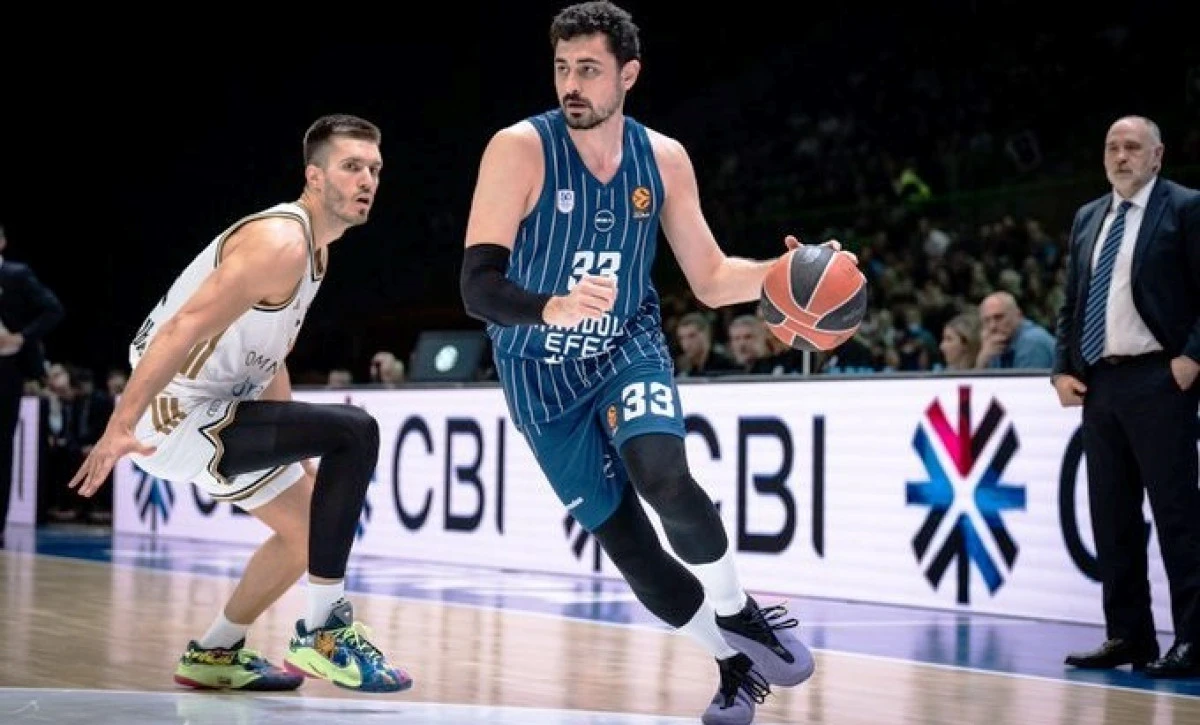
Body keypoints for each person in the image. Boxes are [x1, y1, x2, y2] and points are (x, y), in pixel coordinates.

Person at [459, 3, 832, 722]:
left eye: (589, 69)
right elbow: (477, 288)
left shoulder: (662, 158)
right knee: (630, 546)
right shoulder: (519, 149)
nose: (572, 84)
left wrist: (787, 273)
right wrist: (551, 307)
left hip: (625, 345)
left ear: (628, 74)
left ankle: (738, 610)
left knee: (663, 474)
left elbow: (712, 279)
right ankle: (729, 661)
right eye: (562, 68)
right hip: (539, 372)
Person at [67, 114, 410, 693]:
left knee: (309, 533)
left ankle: (215, 651)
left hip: (220, 411)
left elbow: (270, 357)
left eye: (374, 169)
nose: (367, 180)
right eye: (352, 166)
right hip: (175, 416)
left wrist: (295, 449)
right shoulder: (281, 242)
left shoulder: (317, 251)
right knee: (355, 430)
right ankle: (323, 631)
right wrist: (119, 424)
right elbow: (181, 328)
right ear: (315, 176)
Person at [1055, 115, 1200, 678]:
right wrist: (1061, 369)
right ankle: (1128, 635)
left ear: (1157, 155)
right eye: (1112, 147)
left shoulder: (1185, 207)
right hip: (1101, 382)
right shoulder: (1089, 215)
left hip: (1159, 377)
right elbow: (1072, 301)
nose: (1121, 156)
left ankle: (1193, 639)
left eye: (1133, 147)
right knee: (1111, 515)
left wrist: (1190, 358)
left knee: (1177, 515)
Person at [0, 223, 65, 545]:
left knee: (2, 447)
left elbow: (53, 309)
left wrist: (21, 337)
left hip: (5, 369)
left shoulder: (16, 275)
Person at [976, 290, 1055, 369]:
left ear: (1018, 315)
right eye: (986, 320)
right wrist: (983, 359)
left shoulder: (1032, 342)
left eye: (999, 317)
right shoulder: (996, 345)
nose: (992, 326)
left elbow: (1025, 377)